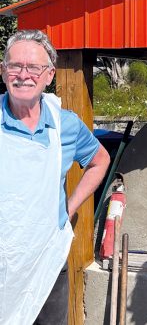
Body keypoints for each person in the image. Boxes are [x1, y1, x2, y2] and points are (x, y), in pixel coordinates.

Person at [0, 29, 110, 324]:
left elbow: (100, 161)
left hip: (46, 262)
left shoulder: (66, 125)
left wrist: (68, 209)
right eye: (15, 66)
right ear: (3, 71)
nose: (24, 75)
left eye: (34, 67)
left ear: (49, 75)